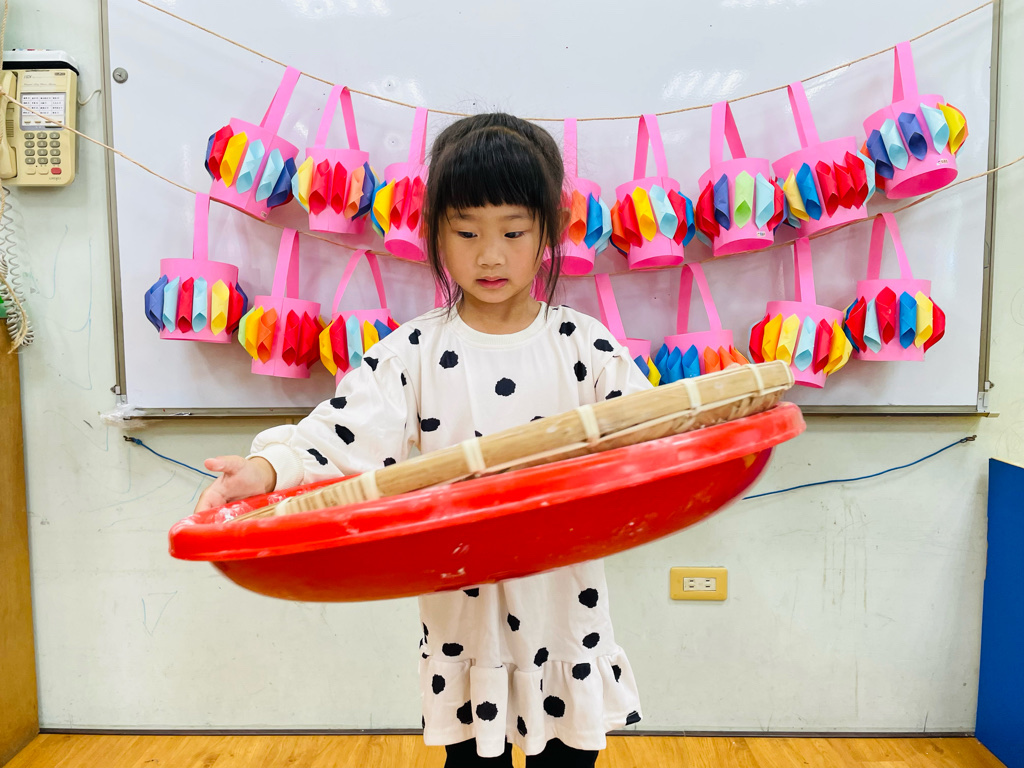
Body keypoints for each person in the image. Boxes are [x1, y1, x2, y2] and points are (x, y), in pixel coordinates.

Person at [196, 113, 651, 767]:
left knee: (567, 757)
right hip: (461, 606)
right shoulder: (413, 350)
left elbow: (647, 432)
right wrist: (265, 471)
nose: (489, 255)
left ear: (549, 231)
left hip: (561, 604)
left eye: (513, 232)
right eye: (466, 232)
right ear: (435, 232)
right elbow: (340, 434)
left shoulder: (585, 345)